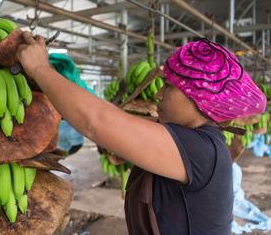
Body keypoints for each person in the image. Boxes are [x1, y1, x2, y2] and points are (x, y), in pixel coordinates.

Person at [14, 32, 266, 235]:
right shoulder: (199, 142)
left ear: (197, 98)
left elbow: (97, 123)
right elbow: (114, 121)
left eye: (169, 86)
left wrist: (41, 69)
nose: (158, 93)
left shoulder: (200, 150)